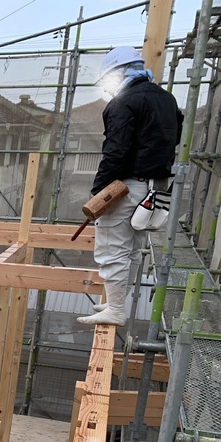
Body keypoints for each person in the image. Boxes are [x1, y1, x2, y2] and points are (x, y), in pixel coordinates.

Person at [78, 46, 182, 326]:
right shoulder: (167, 99)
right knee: (132, 248)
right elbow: (174, 138)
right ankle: (116, 304)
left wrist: (99, 193)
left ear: (118, 73)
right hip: (156, 188)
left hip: (127, 187)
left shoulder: (124, 103)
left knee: (112, 249)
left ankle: (115, 310)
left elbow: (115, 152)